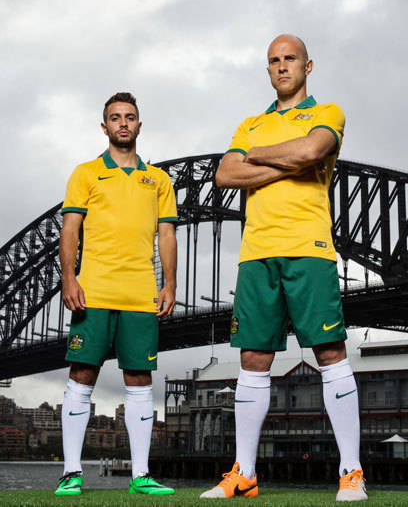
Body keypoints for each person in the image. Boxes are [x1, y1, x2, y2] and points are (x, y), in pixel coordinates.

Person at [200, 35, 366, 502]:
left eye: (290, 58)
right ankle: (244, 474)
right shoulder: (250, 123)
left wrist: (256, 155)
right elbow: (225, 174)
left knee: (329, 352)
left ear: (308, 66)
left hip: (308, 246)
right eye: (274, 60)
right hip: (256, 252)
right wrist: (286, 160)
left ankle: (351, 472)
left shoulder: (327, 112)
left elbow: (312, 152)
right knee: (252, 359)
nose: (282, 66)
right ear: (268, 69)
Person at [54, 92, 178, 497]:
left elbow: (167, 234)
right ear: (104, 126)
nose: (123, 123)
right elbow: (70, 229)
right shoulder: (86, 173)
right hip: (94, 290)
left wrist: (170, 283)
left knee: (140, 378)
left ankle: (141, 476)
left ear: (139, 125)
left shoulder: (158, 179)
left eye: (129, 117)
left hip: (140, 293)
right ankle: (71, 473)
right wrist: (68, 278)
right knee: (82, 373)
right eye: (115, 117)